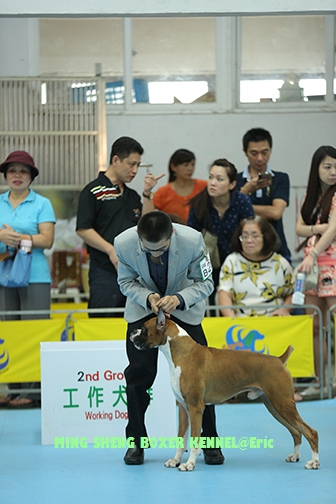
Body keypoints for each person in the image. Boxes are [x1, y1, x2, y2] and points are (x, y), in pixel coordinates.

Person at [114, 211, 224, 466]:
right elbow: (125, 282)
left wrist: (180, 298)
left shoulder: (193, 240)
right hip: (144, 310)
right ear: (138, 237)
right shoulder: (123, 243)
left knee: (201, 378)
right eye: (148, 250)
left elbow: (206, 283)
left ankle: (210, 442)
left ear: (172, 235)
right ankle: (136, 443)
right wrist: (148, 297)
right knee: (138, 376)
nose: (155, 255)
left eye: (161, 250)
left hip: (184, 310)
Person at [76, 136, 164, 317]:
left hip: (135, 271)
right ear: (115, 160)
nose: (135, 170)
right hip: (104, 271)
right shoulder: (93, 191)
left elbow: (146, 226)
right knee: (102, 322)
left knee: (137, 323)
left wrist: (147, 195)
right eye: (132, 164)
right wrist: (110, 250)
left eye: (138, 165)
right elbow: (83, 229)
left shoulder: (132, 195)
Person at [0, 150, 55, 408]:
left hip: (35, 276)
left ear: (31, 176)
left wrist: (18, 238)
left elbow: (47, 239)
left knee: (34, 331)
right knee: (8, 330)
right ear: (6, 176)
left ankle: (34, 392)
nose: (17, 175)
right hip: (4, 275)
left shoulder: (42, 203)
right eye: (12, 171)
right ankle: (13, 388)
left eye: (23, 171)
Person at [295, 145, 336, 396]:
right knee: (314, 325)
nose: (333, 172)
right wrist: (316, 229)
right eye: (327, 166)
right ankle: (320, 382)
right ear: (316, 168)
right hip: (310, 270)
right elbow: (299, 228)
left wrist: (313, 252)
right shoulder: (308, 196)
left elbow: (334, 229)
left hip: (330, 264)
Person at [187, 158, 254, 305]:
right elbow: (190, 238)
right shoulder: (199, 203)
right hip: (209, 263)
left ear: (232, 184)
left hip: (238, 261)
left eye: (219, 179)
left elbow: (250, 231)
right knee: (209, 301)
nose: (212, 182)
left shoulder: (242, 202)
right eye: (210, 177)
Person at [217, 216, 293, 318]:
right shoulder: (232, 261)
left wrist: (284, 310)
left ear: (266, 237)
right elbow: (224, 293)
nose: (249, 240)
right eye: (244, 236)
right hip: (240, 322)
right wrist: (232, 319)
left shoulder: (280, 263)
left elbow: (292, 293)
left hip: (275, 322)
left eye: (255, 236)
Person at [237, 127, 291, 262]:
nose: (260, 158)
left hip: (277, 248)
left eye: (264, 152)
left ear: (270, 150)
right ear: (245, 152)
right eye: (254, 153)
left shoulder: (280, 178)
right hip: (243, 251)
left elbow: (276, 213)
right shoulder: (235, 181)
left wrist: (242, 204)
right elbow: (229, 211)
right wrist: (245, 191)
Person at [153, 149, 207, 223]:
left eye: (193, 164)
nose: (190, 169)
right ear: (173, 167)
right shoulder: (163, 192)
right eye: (186, 165)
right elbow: (148, 216)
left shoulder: (204, 186)